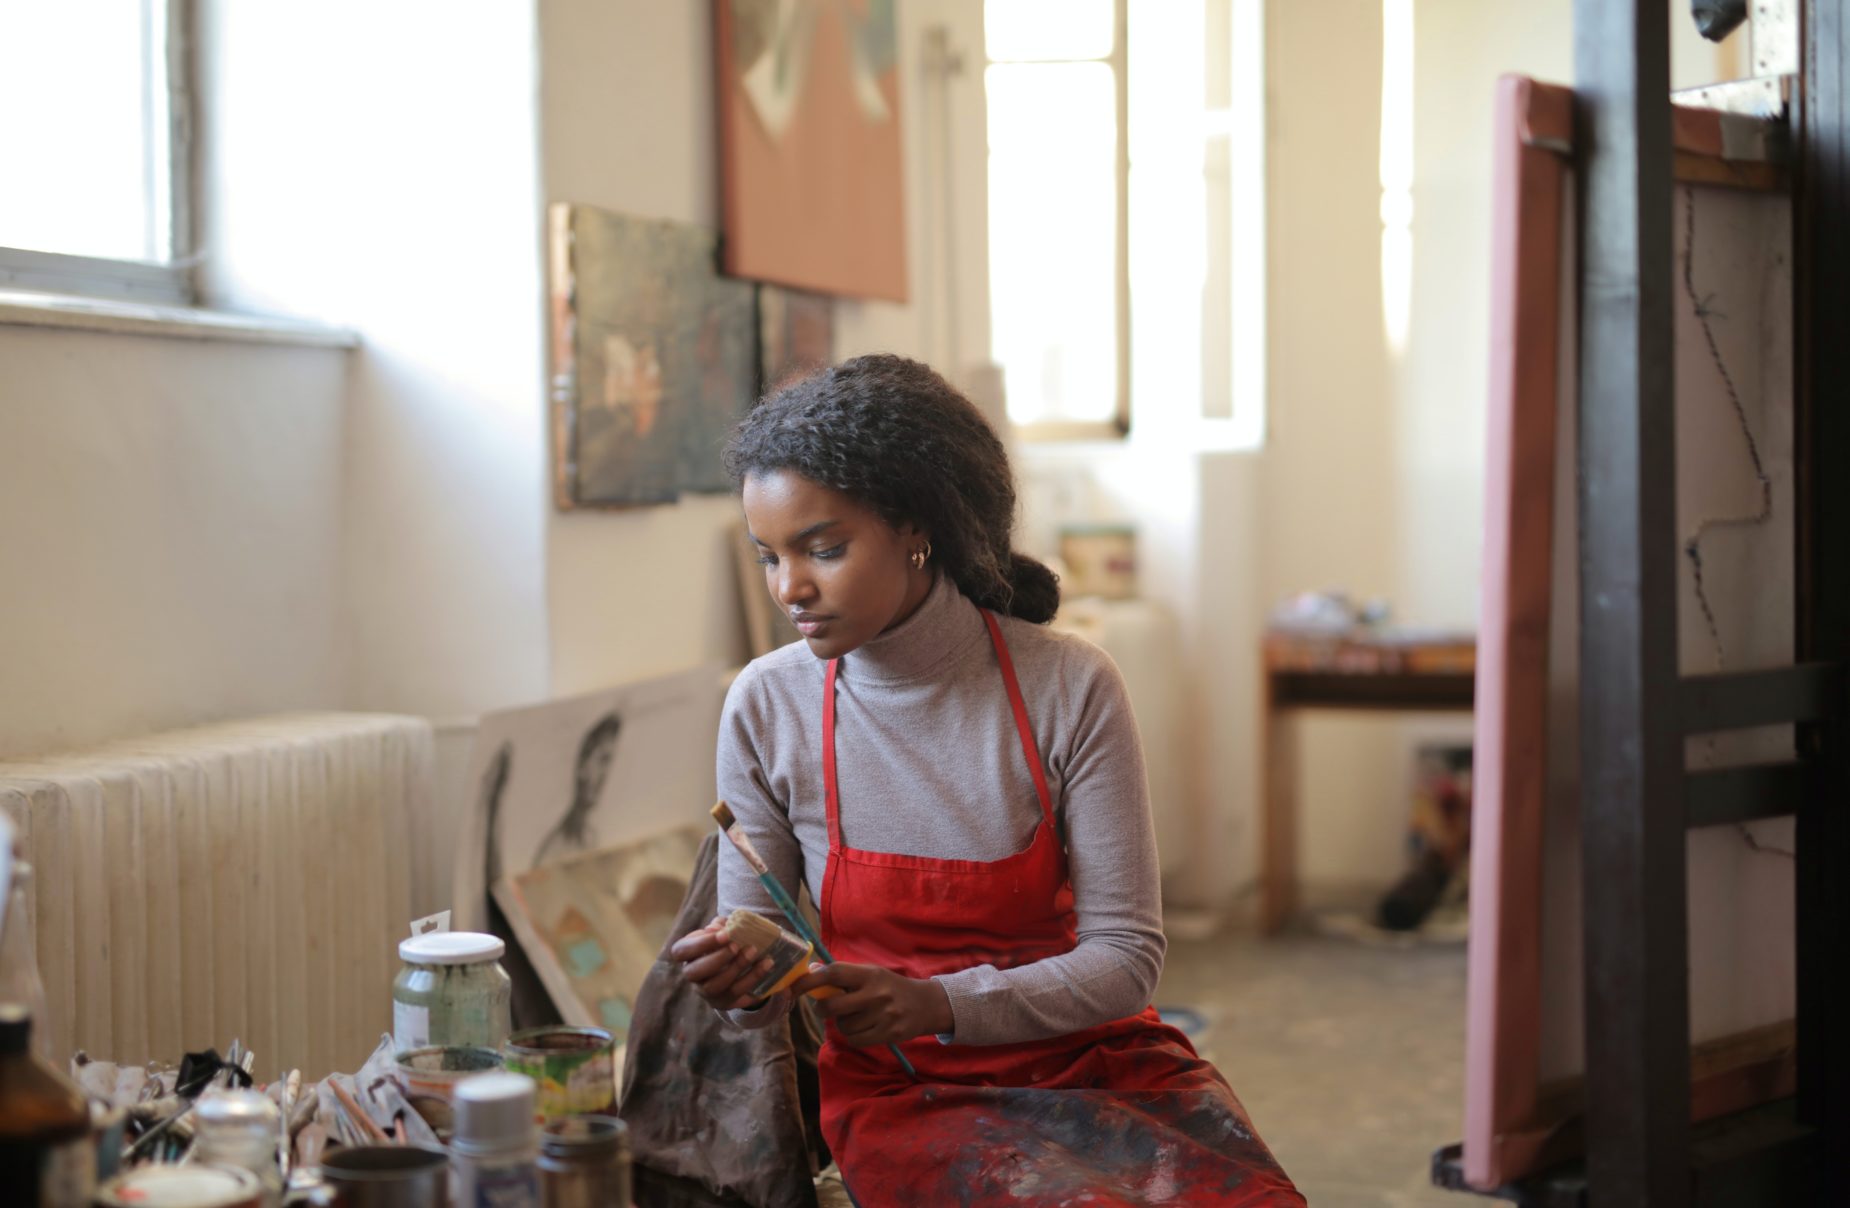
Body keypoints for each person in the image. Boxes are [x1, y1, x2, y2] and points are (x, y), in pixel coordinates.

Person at [669, 355, 1303, 1206]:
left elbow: (1127, 961)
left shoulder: (1069, 685)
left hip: (1093, 1056)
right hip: (907, 1089)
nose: (792, 588)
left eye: (823, 549)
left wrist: (937, 1001)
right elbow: (765, 959)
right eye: (769, 558)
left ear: (917, 529)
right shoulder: (767, 703)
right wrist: (743, 978)